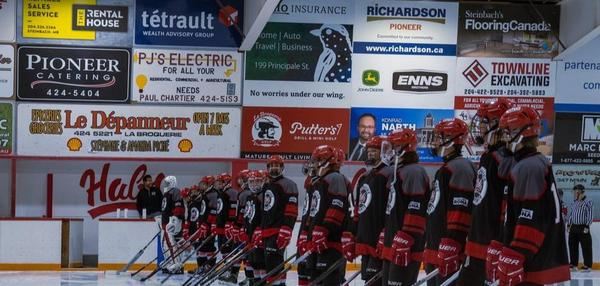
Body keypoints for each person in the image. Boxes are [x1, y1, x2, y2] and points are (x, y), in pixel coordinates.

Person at [495, 106, 570, 285]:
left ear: (520, 133)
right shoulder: (531, 163)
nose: (504, 137)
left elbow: (531, 216)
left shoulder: (528, 167)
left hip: (532, 262)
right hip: (534, 259)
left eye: (507, 132)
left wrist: (517, 254)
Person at [458, 98, 514, 285]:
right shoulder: (489, 158)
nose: (480, 127)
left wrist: (499, 242)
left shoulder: (503, 160)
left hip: (490, 248)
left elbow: (507, 208)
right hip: (476, 245)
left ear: (498, 124)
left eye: (484, 121)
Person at [423, 118, 476, 286]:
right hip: (437, 251)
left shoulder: (460, 168)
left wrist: (452, 244)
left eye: (439, 137)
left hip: (449, 253)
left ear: (452, 141)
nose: (435, 142)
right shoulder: (447, 168)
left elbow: (460, 211)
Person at [380, 128, 431, 286]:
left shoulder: (414, 172)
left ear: (403, 148)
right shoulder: (400, 172)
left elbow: (417, 208)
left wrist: (406, 237)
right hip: (393, 246)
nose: (389, 151)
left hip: (405, 248)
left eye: (393, 146)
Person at [354, 135, 393, 285]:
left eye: (375, 150)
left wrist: (386, 232)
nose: (370, 153)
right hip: (366, 241)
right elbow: (360, 209)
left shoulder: (389, 174)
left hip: (380, 241)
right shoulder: (365, 177)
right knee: (368, 281)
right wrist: (354, 234)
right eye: (369, 150)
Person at [307, 145, 348, 285]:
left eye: (319, 160)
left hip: (331, 240)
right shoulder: (320, 181)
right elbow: (315, 211)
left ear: (328, 161)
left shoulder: (334, 178)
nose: (315, 163)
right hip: (320, 240)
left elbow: (337, 205)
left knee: (331, 280)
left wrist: (324, 229)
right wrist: (309, 233)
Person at [260, 155, 299, 286]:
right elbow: (265, 210)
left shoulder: (289, 185)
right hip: (266, 231)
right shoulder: (266, 185)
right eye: (271, 166)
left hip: (278, 230)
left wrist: (286, 229)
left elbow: (292, 210)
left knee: (274, 262)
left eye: (276, 166)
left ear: (282, 168)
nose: (273, 168)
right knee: (270, 264)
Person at [298, 159, 319, 285]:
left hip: (314, 232)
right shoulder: (311, 183)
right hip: (306, 230)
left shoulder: (322, 183)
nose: (311, 168)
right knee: (303, 268)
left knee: (314, 270)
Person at [189, 175, 216, 274]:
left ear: (209, 184)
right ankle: (202, 267)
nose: (202, 186)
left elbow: (214, 211)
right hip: (204, 225)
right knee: (202, 247)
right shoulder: (206, 194)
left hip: (208, 226)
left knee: (209, 247)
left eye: (204, 184)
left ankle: (210, 267)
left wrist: (209, 224)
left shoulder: (213, 194)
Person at [160, 175, 185, 274]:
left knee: (171, 244)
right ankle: (170, 263)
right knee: (166, 245)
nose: (165, 185)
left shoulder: (175, 191)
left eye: (167, 183)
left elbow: (179, 207)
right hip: (165, 222)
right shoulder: (166, 193)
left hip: (170, 223)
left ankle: (177, 264)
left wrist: (175, 220)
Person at [567, 184, 593, 272]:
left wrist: (587, 226)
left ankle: (587, 265)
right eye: (574, 191)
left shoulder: (588, 202)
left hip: (583, 227)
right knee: (572, 246)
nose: (574, 193)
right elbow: (572, 214)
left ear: (580, 191)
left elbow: (590, 214)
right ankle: (573, 265)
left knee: (586, 247)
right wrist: (568, 224)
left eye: (575, 191)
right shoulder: (574, 202)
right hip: (573, 227)